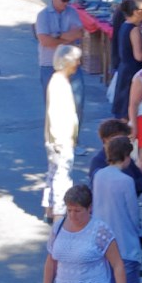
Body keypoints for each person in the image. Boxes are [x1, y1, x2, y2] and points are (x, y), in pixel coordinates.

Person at [89, 132, 142, 283]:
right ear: (126, 157)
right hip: (126, 243)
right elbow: (133, 214)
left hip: (103, 243)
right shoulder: (126, 181)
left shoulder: (99, 176)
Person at [43, 44, 82, 218]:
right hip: (61, 139)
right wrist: (61, 139)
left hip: (57, 138)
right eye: (76, 60)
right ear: (67, 62)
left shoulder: (58, 80)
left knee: (52, 174)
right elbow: (55, 113)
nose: (78, 63)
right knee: (62, 176)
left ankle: (49, 209)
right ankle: (60, 212)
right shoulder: (59, 82)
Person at [35, 0, 86, 91]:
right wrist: (67, 37)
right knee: (53, 105)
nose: (66, 3)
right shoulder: (43, 16)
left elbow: (79, 34)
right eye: (63, 0)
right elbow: (45, 41)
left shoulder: (72, 12)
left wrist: (56, 35)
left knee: (77, 104)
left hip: (71, 64)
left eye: (68, 0)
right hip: (49, 65)